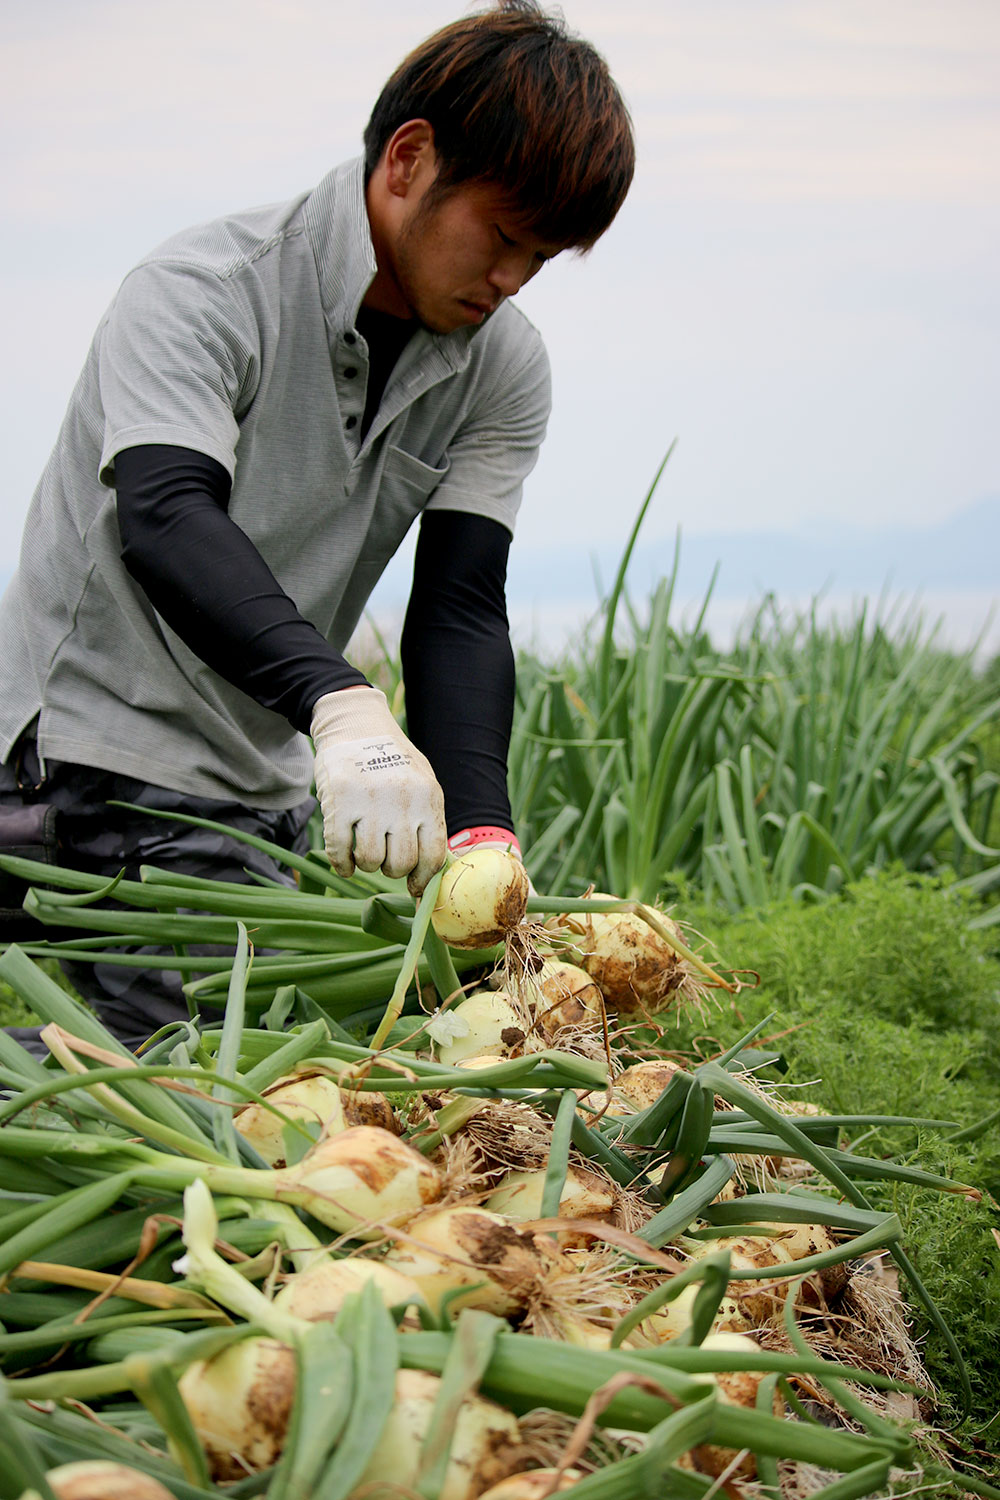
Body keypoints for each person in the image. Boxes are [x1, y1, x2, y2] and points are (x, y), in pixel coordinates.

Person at [0, 0, 635, 1049]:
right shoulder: (204, 289)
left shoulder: (502, 365)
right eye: (506, 238)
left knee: (285, 1057)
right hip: (85, 741)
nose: (514, 281)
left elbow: (460, 606)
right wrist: (341, 705)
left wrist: (483, 838)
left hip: (254, 771)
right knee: (180, 1069)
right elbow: (164, 516)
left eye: (545, 258)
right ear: (408, 160)